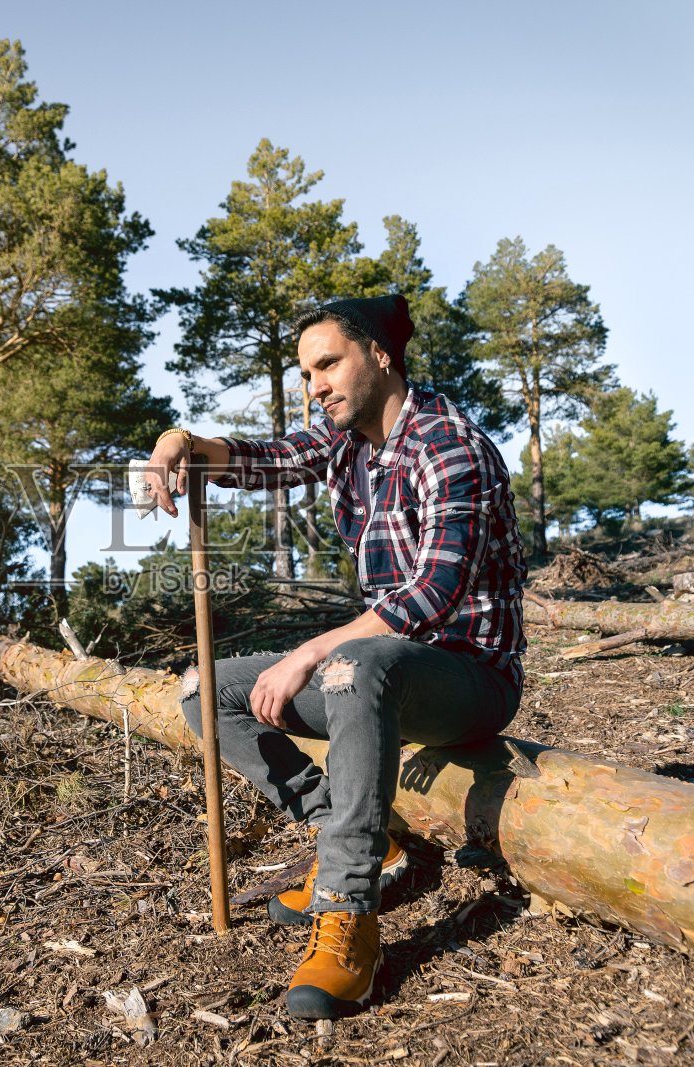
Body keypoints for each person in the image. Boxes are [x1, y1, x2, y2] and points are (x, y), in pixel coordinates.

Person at [143, 294, 525, 1020]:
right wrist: (179, 440)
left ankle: (348, 913)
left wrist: (308, 653)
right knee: (203, 689)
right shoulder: (346, 441)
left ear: (381, 354)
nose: (315, 384)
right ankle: (350, 831)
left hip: (469, 677)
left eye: (328, 363)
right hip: (376, 674)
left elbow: (431, 595)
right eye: (306, 371)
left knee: (358, 663)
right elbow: (265, 458)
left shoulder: (451, 446)